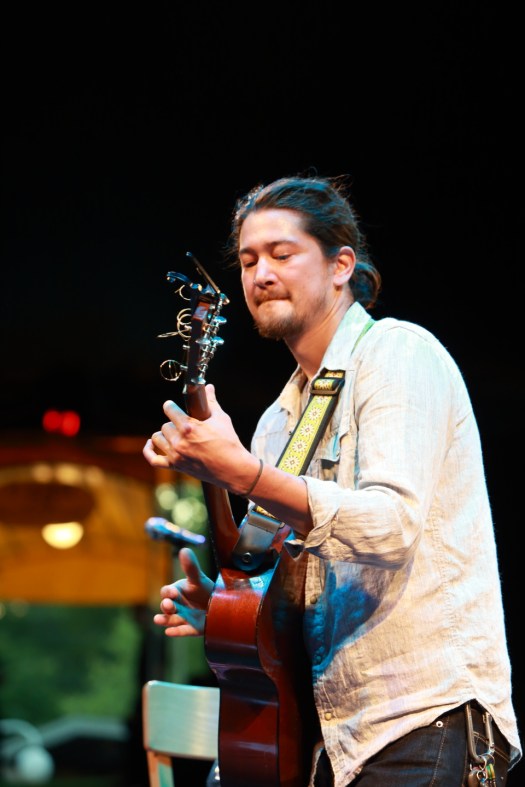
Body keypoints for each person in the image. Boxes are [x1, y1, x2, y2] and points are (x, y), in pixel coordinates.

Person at [142, 174, 522, 786]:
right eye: (248, 261)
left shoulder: (398, 353)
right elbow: (292, 589)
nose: (261, 274)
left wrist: (245, 473)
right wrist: (233, 614)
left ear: (341, 265)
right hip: (334, 742)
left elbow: (390, 526)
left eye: (281, 254)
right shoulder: (277, 424)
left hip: (425, 719)